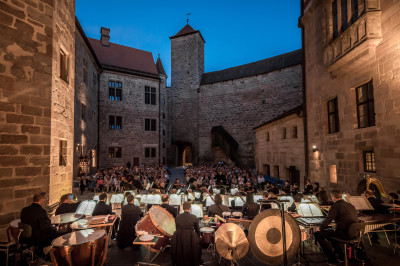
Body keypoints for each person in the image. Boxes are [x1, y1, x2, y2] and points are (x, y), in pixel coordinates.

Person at [314, 190, 358, 264]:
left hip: (343, 233)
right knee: (330, 234)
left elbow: (328, 219)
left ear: (333, 197)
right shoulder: (350, 205)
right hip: (354, 233)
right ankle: (341, 256)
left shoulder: (335, 206)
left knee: (318, 234)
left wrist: (320, 228)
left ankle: (332, 258)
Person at [171, 201, 201, 266]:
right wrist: (198, 237)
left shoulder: (177, 217)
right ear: (190, 209)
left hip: (179, 238)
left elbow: (177, 228)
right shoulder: (194, 217)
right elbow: (197, 230)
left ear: (183, 209)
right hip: (190, 238)